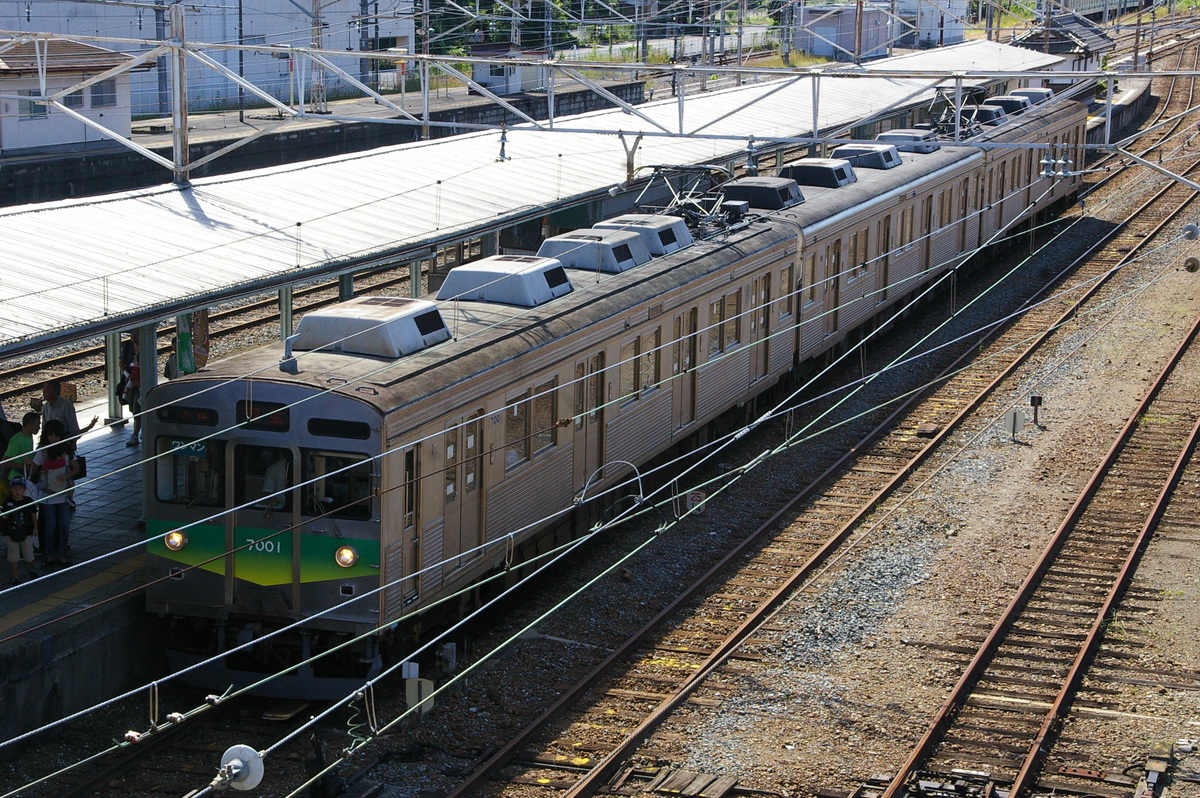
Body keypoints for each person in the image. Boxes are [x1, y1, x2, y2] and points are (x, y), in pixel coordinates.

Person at [34, 420, 77, 568]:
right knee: (51, 526)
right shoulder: (42, 451)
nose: (53, 438)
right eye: (50, 435)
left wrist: (66, 476)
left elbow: (76, 468)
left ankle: (61, 554)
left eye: (56, 436)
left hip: (63, 495)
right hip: (47, 496)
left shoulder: (68, 451)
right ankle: (51, 554)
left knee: (64, 525)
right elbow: (34, 468)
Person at [40, 379, 97, 454]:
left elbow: (73, 427)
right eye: (44, 390)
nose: (44, 392)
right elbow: (44, 427)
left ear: (56, 392)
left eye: (48, 390)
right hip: (50, 445)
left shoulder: (66, 405)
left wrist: (72, 442)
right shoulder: (46, 406)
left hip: (64, 444)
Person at [2, 477, 38, 586]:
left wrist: (36, 528)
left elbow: (33, 515)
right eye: (14, 488)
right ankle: (16, 577)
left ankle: (31, 568)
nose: (17, 491)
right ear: (11, 489)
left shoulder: (28, 501)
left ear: (25, 489)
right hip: (11, 533)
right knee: (13, 556)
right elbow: (5, 517)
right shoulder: (7, 501)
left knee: (29, 555)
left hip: (26, 532)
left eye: (20, 488)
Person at [3, 412, 40, 484]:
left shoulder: (29, 436)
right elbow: (5, 462)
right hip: (16, 479)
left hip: (26, 477)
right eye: (37, 425)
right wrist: (23, 467)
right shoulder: (17, 440)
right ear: (30, 426)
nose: (39, 427)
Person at [120, 338, 142, 447]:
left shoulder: (147, 344)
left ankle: (135, 433)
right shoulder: (128, 346)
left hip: (140, 386)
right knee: (134, 408)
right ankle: (137, 432)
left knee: (138, 408)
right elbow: (121, 363)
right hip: (132, 384)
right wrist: (128, 375)